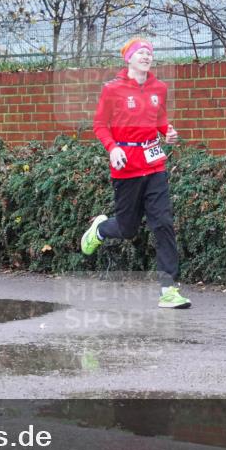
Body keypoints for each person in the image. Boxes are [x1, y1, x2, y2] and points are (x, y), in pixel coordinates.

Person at [80, 38, 191, 309]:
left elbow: (160, 119)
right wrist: (113, 148)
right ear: (128, 58)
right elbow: (99, 124)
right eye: (140, 53)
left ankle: (169, 290)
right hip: (126, 167)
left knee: (163, 223)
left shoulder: (159, 88)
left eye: (149, 53)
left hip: (154, 165)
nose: (145, 56)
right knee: (128, 229)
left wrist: (169, 132)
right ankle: (101, 229)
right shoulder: (113, 89)